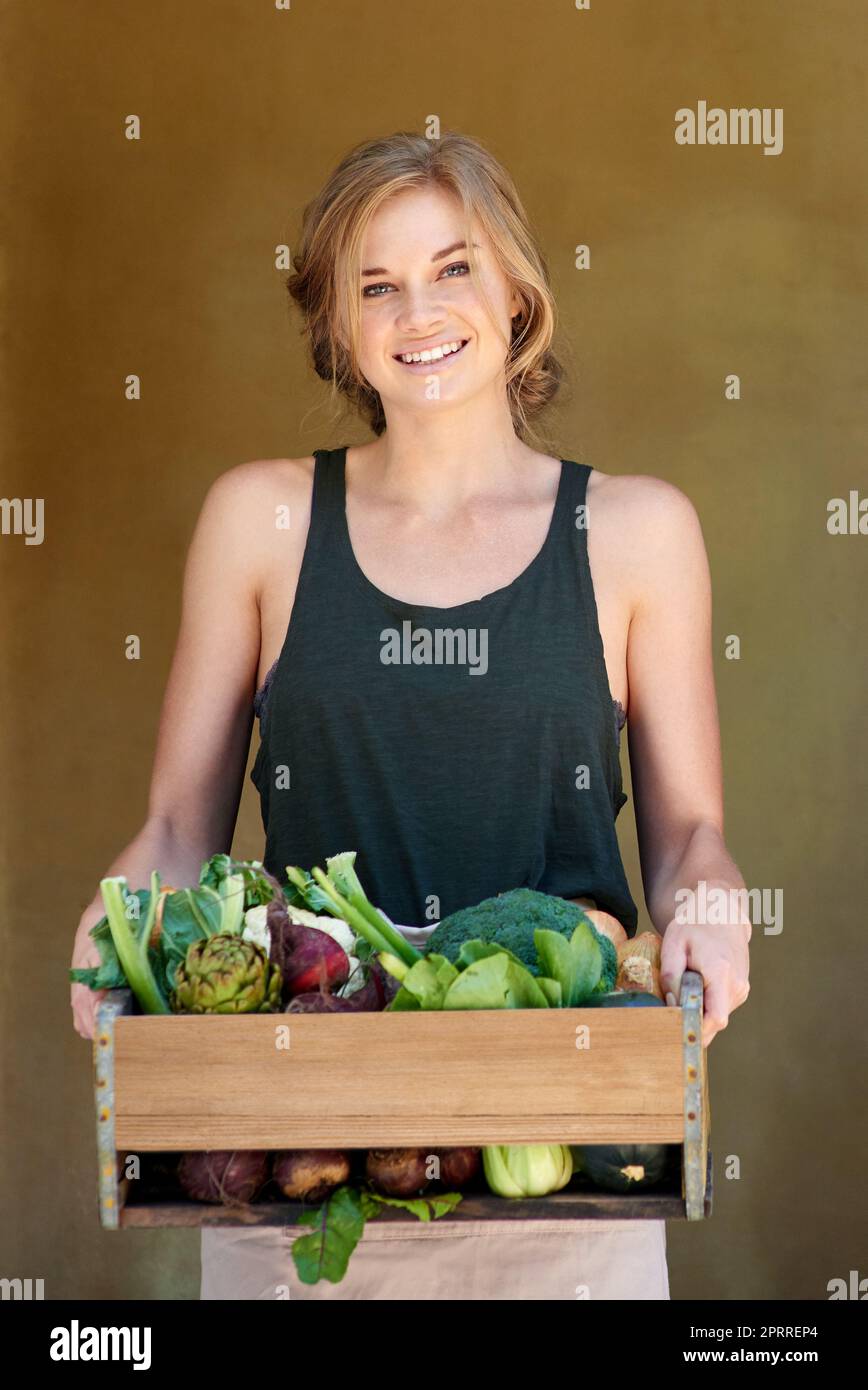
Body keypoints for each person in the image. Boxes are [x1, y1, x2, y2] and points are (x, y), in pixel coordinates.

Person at [71, 130, 751, 1300]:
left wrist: (715, 903)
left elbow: (688, 839)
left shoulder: (638, 532)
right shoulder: (261, 522)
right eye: (374, 284)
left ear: (517, 292)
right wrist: (114, 920)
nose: (417, 310)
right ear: (335, 325)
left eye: (453, 268)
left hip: (559, 1171)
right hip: (301, 1171)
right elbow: (180, 832)